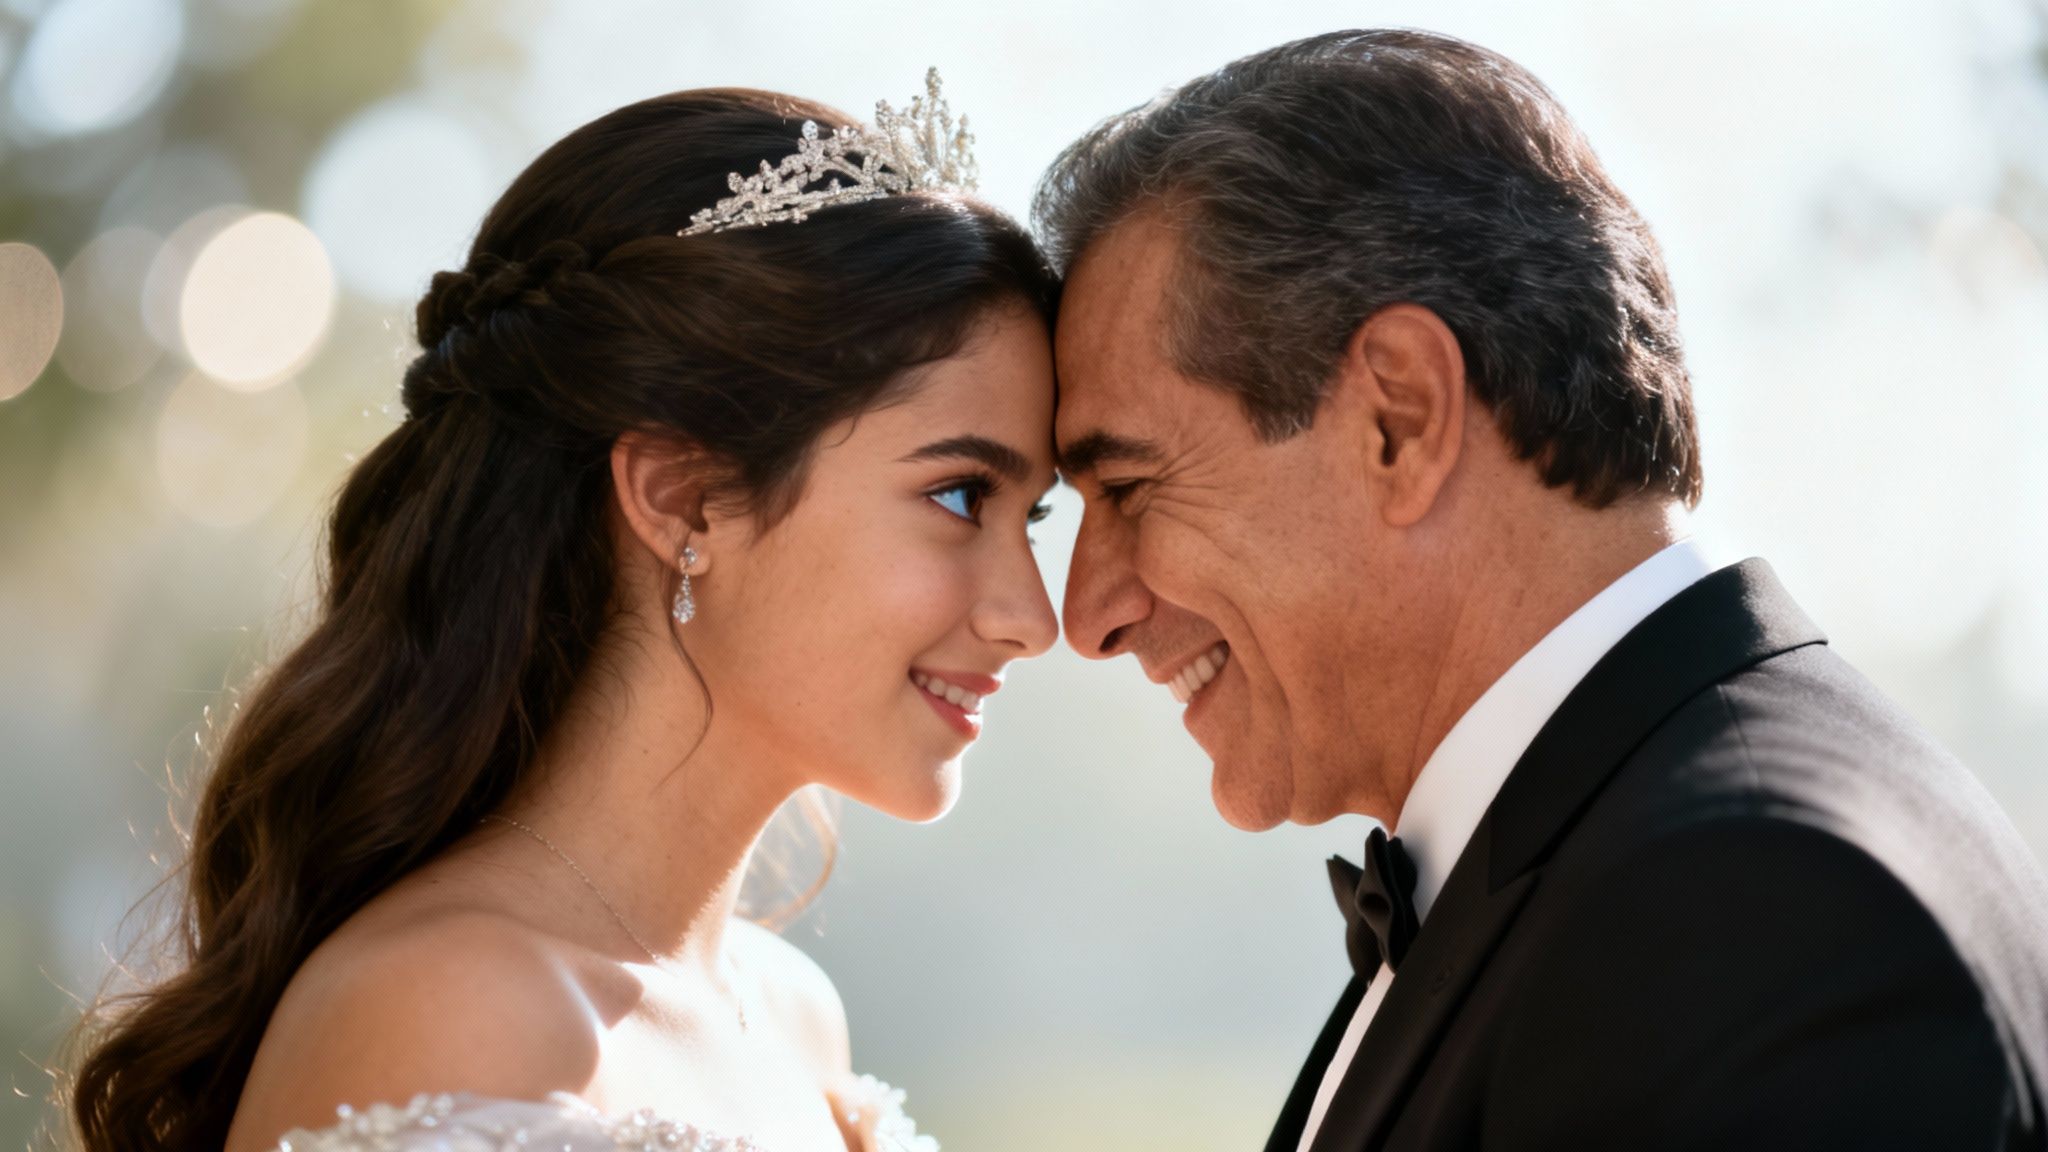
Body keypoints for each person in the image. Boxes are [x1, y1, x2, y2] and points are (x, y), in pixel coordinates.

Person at [1036, 29, 2048, 1151]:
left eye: (1126, 485)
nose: (1086, 615)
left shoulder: (1747, 912)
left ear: (1400, 418)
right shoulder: (1625, 865)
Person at [67, 71, 1057, 1152]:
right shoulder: (454, 1009)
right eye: (960, 495)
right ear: (683, 497)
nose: (1030, 616)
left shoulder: (797, 1020)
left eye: (1031, 518)